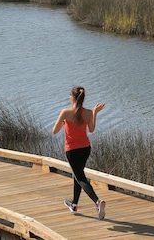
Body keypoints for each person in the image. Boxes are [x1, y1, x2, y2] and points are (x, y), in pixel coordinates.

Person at [52, 86, 106, 219]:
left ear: (72, 98)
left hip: (71, 150)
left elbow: (54, 131)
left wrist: (64, 123)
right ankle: (74, 204)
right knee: (78, 174)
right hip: (85, 149)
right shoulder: (87, 113)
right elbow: (92, 130)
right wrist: (94, 112)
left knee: (80, 177)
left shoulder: (65, 112)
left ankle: (98, 202)